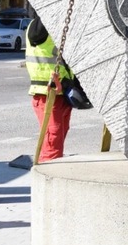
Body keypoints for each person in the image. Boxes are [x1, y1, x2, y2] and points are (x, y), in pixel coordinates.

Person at [25, 16, 88, 162]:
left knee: (57, 137)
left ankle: (51, 167)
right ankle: (48, 174)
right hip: (47, 94)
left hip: (63, 93)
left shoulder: (59, 27)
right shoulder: (38, 26)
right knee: (52, 141)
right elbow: (37, 32)